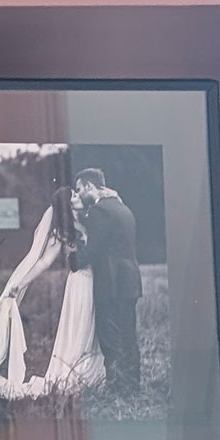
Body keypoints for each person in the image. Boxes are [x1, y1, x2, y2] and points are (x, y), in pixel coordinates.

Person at [0, 186, 105, 403]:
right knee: (80, 329)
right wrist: (20, 283)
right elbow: (43, 262)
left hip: (100, 281)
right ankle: (75, 370)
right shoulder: (63, 232)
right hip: (81, 283)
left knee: (96, 331)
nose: (77, 196)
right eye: (73, 195)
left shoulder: (92, 215)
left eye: (76, 192)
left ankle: (95, 368)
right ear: (67, 204)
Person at [74, 165, 142, 396]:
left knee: (111, 338)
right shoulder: (123, 208)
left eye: (79, 189)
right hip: (129, 281)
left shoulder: (100, 211)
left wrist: (71, 258)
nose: (79, 194)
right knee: (128, 336)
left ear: (90, 186)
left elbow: (92, 251)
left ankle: (117, 388)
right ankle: (132, 385)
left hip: (111, 284)